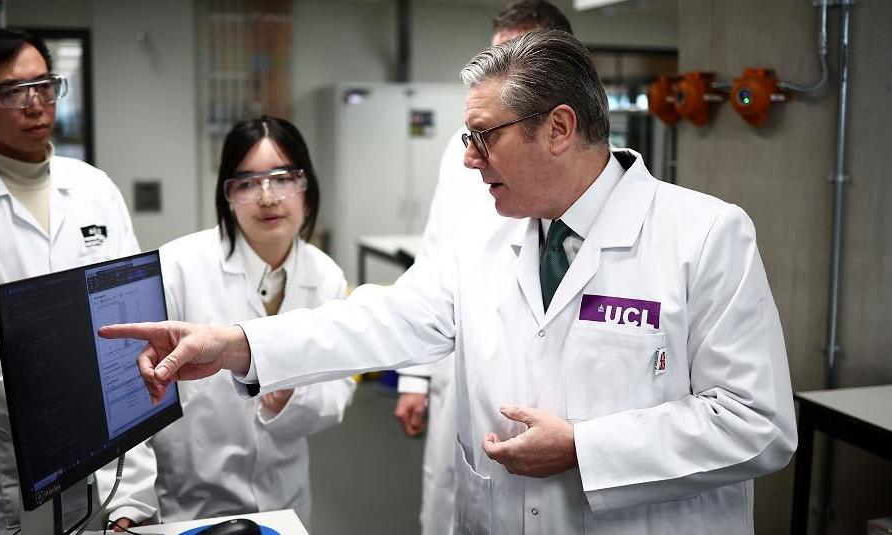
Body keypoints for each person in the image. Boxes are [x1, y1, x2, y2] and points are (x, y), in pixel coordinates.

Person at [103, 30, 797, 534]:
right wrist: (236, 343)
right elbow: (380, 318)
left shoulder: (703, 235)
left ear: (558, 128)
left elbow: (757, 423)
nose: (467, 160)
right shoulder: (485, 238)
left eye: (481, 136)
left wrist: (586, 448)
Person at [99, 117, 356, 531]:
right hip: (187, 503)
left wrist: (286, 396)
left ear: (306, 188)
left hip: (282, 503)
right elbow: (132, 394)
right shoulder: (178, 267)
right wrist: (131, 501)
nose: (268, 197)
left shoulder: (325, 276)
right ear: (228, 195)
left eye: (283, 178)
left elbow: (337, 395)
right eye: (248, 183)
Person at [0, 28, 139, 533]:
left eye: (44, 85)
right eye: (11, 91)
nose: (35, 104)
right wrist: (66, 406)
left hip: (108, 435)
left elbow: (133, 318)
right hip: (7, 452)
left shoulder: (94, 187)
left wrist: (131, 479)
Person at [393, 3, 573, 533]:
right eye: (495, 54)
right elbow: (433, 257)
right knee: (455, 501)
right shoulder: (465, 147)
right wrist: (413, 379)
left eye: (519, 57)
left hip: (542, 394)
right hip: (459, 353)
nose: (478, 156)